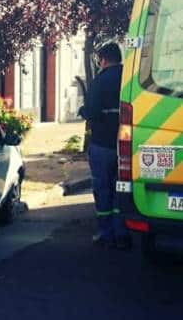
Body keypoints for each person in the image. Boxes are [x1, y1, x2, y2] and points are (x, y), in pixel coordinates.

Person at [78, 42, 131, 250]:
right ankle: (122, 233)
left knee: (103, 189)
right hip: (125, 146)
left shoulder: (99, 81)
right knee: (121, 189)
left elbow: (92, 111)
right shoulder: (128, 78)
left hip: (102, 145)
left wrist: (83, 111)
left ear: (103, 60)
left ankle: (105, 233)